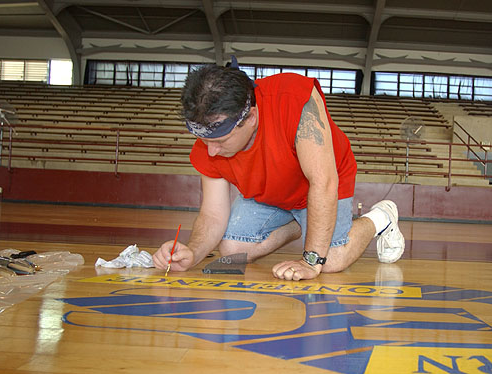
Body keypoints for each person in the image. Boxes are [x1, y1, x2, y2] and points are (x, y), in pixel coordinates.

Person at [152, 59, 405, 281]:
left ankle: (381, 217)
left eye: (220, 141)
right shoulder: (211, 137)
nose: (211, 152)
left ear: (250, 118)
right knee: (231, 251)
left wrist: (310, 260)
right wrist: (193, 252)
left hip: (321, 183)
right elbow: (213, 214)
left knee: (331, 261)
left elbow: (323, 182)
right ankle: (302, 222)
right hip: (272, 192)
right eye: (206, 141)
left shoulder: (295, 100)